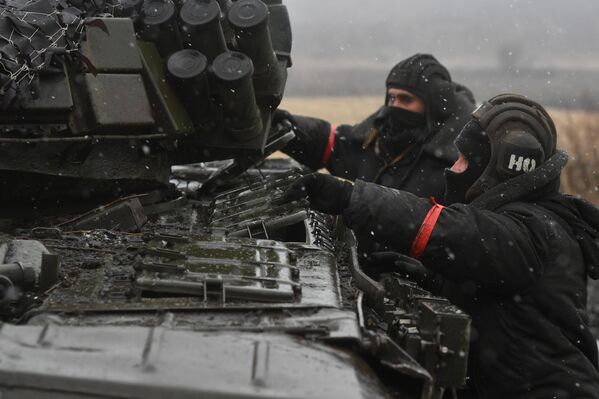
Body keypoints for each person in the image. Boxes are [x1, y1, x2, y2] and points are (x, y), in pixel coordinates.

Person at [284, 94, 599, 398]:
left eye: (464, 159)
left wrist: (349, 197)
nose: (454, 168)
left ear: (504, 166)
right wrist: (428, 277)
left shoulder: (533, 230)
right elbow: (488, 289)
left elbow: (453, 232)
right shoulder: (518, 225)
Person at [274, 53, 476, 199]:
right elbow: (336, 144)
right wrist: (285, 126)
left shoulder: (458, 165)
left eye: (406, 99)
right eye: (391, 98)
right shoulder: (382, 140)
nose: (395, 106)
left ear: (433, 107)